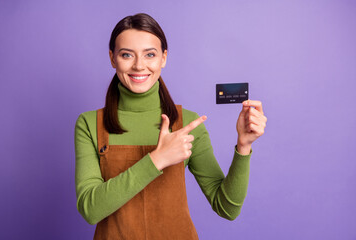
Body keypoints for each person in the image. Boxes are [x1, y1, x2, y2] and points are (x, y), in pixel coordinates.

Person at [74, 13, 267, 240]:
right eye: (127, 54)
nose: (139, 65)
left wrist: (243, 146)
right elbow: (90, 209)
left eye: (150, 54)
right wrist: (158, 159)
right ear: (112, 58)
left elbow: (227, 208)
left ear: (163, 58)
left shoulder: (187, 123)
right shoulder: (89, 124)